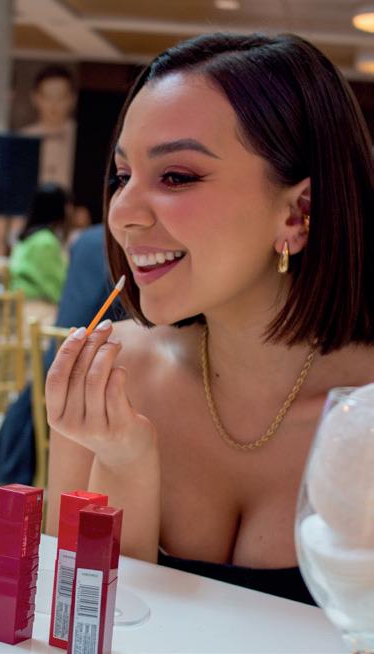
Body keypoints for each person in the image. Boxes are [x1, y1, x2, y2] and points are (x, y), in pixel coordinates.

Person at [44, 32, 374, 605]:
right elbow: (78, 617)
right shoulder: (113, 373)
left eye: (176, 176)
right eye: (122, 177)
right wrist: (124, 465)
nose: (122, 213)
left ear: (298, 213)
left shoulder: (363, 417)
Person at [0, 224, 124, 488]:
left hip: (47, 356)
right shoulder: (51, 242)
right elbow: (54, 285)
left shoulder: (81, 241)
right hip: (73, 376)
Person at [9, 183, 69, 327]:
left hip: (18, 310)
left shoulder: (27, 238)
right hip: (39, 312)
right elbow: (56, 283)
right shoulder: (45, 241)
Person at [20, 65, 78, 191]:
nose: (54, 105)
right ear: (36, 98)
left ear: (72, 99)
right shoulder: (23, 138)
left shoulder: (80, 137)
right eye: (48, 97)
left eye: (61, 98)